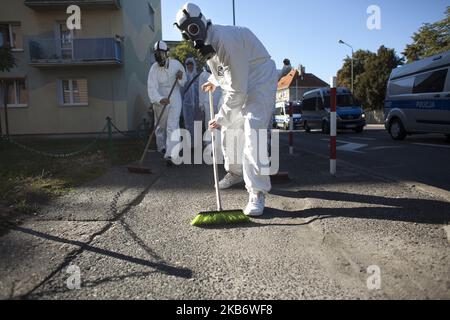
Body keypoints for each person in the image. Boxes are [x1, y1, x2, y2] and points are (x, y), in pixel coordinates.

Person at [175, 3, 278, 217]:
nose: (192, 35)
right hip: (242, 77)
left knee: (252, 132)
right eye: (187, 33)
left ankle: (257, 191)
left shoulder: (224, 39)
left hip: (259, 77)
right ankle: (236, 171)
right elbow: (225, 70)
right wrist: (214, 80)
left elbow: (237, 89)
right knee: (229, 131)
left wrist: (220, 117)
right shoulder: (209, 42)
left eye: (193, 28)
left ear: (201, 21)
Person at [147, 40, 186, 166]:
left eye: (161, 54)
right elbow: (151, 87)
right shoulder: (153, 68)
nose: (159, 57)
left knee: (172, 125)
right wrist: (159, 99)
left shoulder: (176, 64)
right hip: (160, 99)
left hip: (174, 97)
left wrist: (181, 77)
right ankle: (162, 146)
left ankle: (171, 154)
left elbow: (184, 81)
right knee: (161, 126)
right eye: (157, 54)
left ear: (167, 53)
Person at [182, 57, 200, 146]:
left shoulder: (199, 77)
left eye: (191, 64)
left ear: (194, 65)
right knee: (188, 124)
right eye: (187, 65)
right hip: (187, 105)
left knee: (198, 124)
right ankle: (190, 144)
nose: (189, 66)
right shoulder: (184, 78)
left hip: (197, 105)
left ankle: (197, 144)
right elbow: (181, 92)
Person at [198, 65, 222, 130]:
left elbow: (221, 75)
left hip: (219, 101)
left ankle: (219, 139)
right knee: (209, 122)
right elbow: (201, 91)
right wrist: (201, 104)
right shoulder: (203, 74)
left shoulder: (220, 67)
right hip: (208, 102)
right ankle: (209, 139)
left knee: (220, 123)